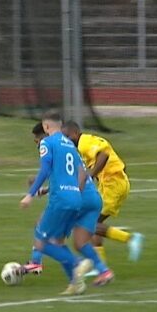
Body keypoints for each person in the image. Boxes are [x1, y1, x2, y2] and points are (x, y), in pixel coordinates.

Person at [24, 121, 113, 286]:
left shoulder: (51, 146)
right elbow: (70, 174)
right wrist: (46, 190)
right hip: (93, 197)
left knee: (46, 233)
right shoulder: (68, 146)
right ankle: (103, 271)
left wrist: (33, 190)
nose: (38, 145)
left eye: (37, 141)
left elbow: (56, 173)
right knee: (80, 243)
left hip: (77, 198)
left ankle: (41, 263)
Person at [20, 111, 94, 295]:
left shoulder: (47, 142)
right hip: (76, 199)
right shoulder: (70, 144)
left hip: (60, 200)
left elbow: (44, 170)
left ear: (46, 126)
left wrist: (30, 194)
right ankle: (75, 283)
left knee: (41, 242)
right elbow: (82, 174)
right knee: (58, 242)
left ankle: (79, 263)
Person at [61, 120, 144, 269]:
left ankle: (130, 239)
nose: (66, 141)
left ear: (74, 133)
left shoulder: (84, 143)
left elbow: (104, 155)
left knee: (89, 223)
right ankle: (101, 266)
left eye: (67, 137)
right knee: (94, 222)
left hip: (113, 184)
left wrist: (91, 174)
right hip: (113, 184)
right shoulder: (82, 146)